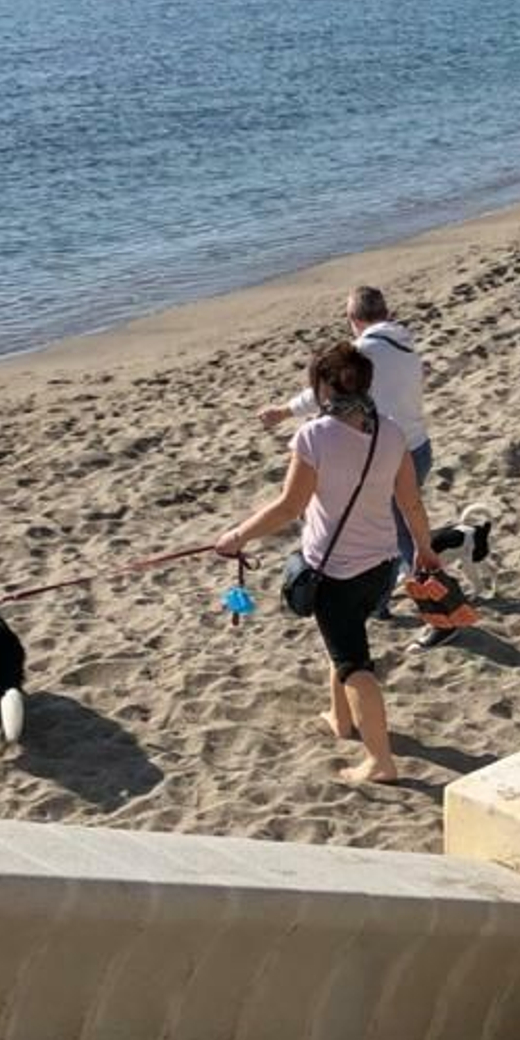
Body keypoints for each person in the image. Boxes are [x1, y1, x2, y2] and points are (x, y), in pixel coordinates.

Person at [220, 341, 437, 785]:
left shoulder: (313, 436)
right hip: (381, 563)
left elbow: (288, 506)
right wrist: (424, 550)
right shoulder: (391, 432)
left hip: (336, 569)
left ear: (324, 387)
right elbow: (411, 503)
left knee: (355, 664)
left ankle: (380, 760)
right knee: (342, 639)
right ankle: (342, 721)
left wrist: (237, 536)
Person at [258, 286, 432, 584]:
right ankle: (404, 588)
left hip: (384, 450)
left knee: (389, 536)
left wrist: (282, 412)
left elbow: (324, 395)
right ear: (386, 313)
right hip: (417, 447)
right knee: (402, 522)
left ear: (353, 318)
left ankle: (425, 602)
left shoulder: (362, 353)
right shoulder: (406, 346)